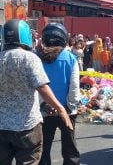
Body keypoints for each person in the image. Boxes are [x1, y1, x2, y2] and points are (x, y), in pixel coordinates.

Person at [0, 19, 72, 165]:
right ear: (25, 36)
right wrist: (60, 109)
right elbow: (42, 87)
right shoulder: (30, 58)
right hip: (28, 127)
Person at [38, 23, 81, 165]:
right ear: (63, 38)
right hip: (67, 112)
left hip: (45, 112)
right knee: (70, 150)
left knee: (43, 150)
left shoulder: (37, 58)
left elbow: (35, 85)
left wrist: (43, 105)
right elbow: (74, 87)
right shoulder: (70, 58)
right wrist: (69, 106)